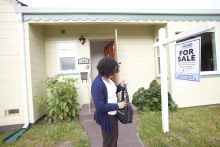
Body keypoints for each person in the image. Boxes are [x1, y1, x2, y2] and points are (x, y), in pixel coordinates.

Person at [91, 57, 127, 147]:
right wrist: (117, 106)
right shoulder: (97, 84)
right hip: (107, 117)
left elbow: (111, 92)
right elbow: (100, 107)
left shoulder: (109, 79)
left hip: (114, 114)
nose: (114, 73)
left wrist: (120, 86)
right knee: (109, 141)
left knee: (114, 137)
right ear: (107, 70)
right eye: (113, 70)